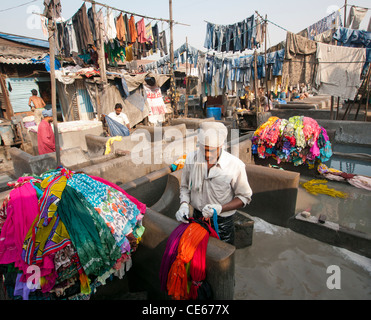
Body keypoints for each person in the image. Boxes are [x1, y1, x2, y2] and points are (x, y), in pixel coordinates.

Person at [175, 122, 253, 245]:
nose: (207, 155)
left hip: (221, 223)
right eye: (203, 149)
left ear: (220, 146)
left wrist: (220, 208)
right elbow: (185, 187)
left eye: (211, 150)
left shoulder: (234, 166)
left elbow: (244, 197)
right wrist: (184, 204)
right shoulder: (191, 159)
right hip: (197, 218)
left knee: (221, 259)